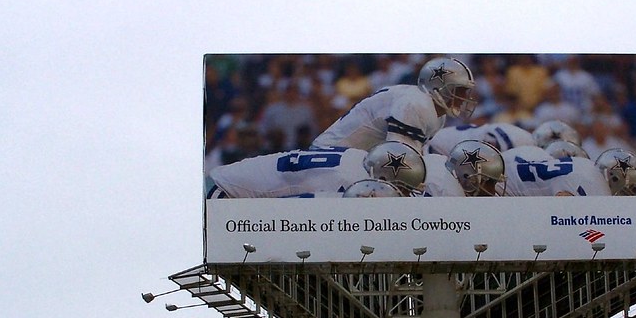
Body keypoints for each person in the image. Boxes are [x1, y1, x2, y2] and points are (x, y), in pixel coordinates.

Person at [311, 57, 478, 152]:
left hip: (350, 157)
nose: (464, 97)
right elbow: (399, 157)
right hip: (330, 155)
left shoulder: (433, 111)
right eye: (460, 90)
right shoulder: (416, 104)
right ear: (438, 86)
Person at [206, 141, 425, 198]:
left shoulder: (359, 157)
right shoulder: (348, 182)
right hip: (226, 194)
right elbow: (290, 213)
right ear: (383, 178)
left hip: (234, 187)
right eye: (404, 189)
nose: (405, 195)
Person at [501, 145, 609, 196]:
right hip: (504, 187)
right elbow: (559, 207)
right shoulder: (591, 181)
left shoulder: (585, 166)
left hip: (504, 172)